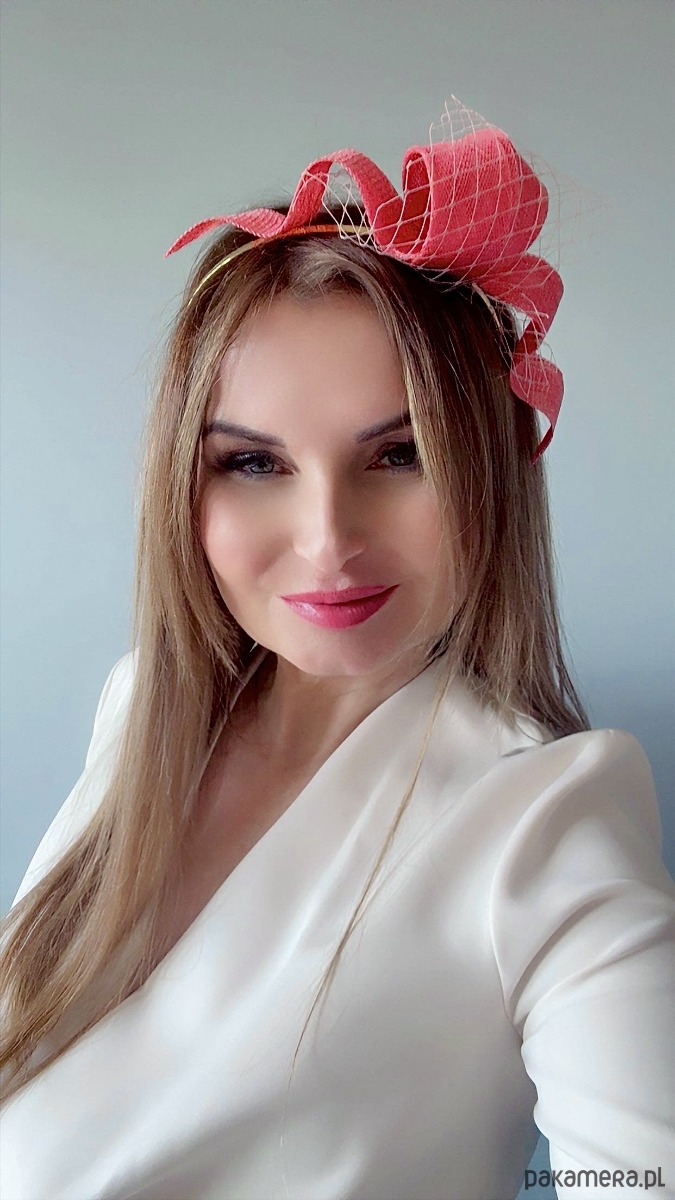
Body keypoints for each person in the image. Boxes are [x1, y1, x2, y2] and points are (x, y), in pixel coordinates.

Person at [1, 104, 674, 1200]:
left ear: (490, 465)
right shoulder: (142, 711)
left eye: (399, 455)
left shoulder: (546, 818)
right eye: (254, 464)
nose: (327, 542)